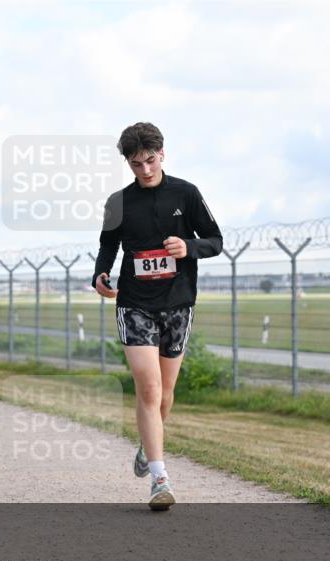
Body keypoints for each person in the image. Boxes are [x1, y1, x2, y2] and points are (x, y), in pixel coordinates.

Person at [92, 122, 223, 510]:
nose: (145, 170)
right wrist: (100, 274)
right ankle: (159, 478)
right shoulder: (118, 202)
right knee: (147, 390)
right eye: (136, 164)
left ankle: (148, 447)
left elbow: (215, 241)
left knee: (165, 395)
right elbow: (107, 246)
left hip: (178, 302)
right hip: (135, 303)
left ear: (162, 154)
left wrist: (189, 247)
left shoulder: (186, 192)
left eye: (150, 161)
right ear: (128, 163)